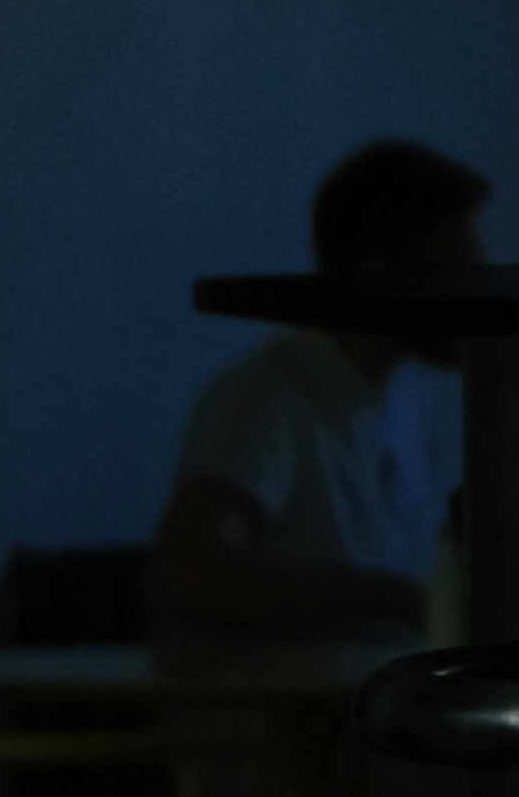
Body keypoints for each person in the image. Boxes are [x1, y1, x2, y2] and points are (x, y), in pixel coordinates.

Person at [151, 134, 487, 647]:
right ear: (378, 276)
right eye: (460, 272)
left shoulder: (403, 409)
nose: (480, 293)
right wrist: (391, 597)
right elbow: (195, 569)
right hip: (274, 722)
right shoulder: (268, 399)